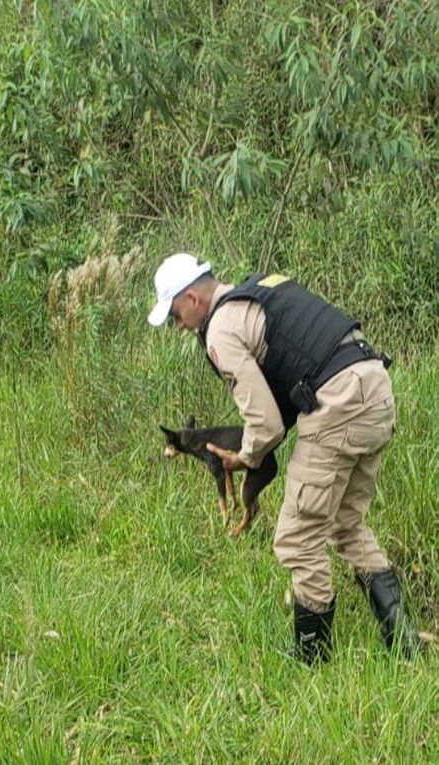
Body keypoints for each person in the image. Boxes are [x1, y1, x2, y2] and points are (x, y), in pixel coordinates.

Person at [148, 252, 426, 664]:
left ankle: (312, 656)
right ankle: (403, 643)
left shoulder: (220, 329)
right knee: (346, 524)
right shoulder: (260, 289)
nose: (178, 326)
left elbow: (265, 423)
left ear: (192, 298)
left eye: (174, 316)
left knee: (297, 537)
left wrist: (245, 457)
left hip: (339, 404)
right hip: (376, 388)